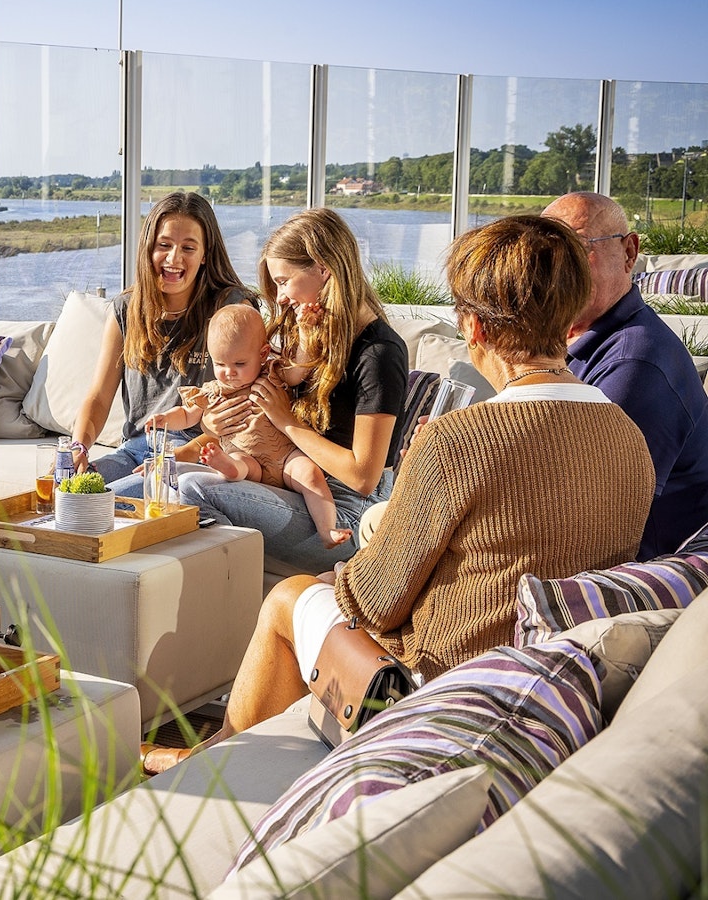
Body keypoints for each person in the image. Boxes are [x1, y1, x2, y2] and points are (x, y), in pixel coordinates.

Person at [144, 214, 655, 774]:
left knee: (291, 597)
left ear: (475, 330)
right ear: (571, 319)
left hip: (435, 697)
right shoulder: (631, 440)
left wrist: (341, 572)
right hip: (550, 698)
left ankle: (206, 766)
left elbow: (378, 600)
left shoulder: (458, 440)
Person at [177, 208, 406, 573]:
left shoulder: (379, 353)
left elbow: (364, 477)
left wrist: (286, 421)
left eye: (283, 281)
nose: (280, 297)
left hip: (347, 512)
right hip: (293, 483)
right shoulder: (312, 332)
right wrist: (212, 424)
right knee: (163, 476)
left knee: (194, 488)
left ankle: (227, 597)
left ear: (323, 269)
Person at [541, 192, 708, 559]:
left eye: (575, 248)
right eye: (547, 251)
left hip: (631, 572)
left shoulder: (636, 364)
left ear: (629, 253)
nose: (557, 266)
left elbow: (586, 513)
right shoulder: (563, 340)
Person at [69, 191, 254, 496]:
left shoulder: (231, 308)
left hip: (199, 454)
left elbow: (241, 415)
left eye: (188, 248)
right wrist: (79, 447)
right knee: (66, 490)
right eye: (164, 245)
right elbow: (99, 398)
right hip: (133, 449)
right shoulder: (126, 309)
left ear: (205, 254)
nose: (173, 259)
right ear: (149, 248)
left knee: (103, 502)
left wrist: (186, 453)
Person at [149, 305, 349, 549]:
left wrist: (306, 333)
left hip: (285, 456)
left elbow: (299, 371)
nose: (229, 373)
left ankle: (328, 530)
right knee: (240, 465)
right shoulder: (214, 391)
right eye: (220, 364)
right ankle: (226, 466)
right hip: (246, 456)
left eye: (240, 363)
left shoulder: (272, 374)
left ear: (263, 353)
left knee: (310, 473)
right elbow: (187, 414)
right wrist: (164, 420)